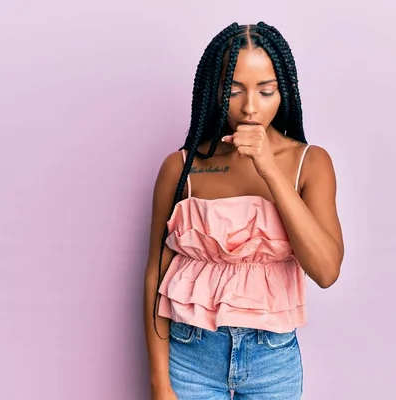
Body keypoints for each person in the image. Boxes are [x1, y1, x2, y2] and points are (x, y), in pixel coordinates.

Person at [143, 21, 344, 400]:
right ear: (213, 93)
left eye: (266, 91)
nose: (250, 107)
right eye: (234, 91)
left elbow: (326, 271)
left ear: (283, 90)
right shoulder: (181, 168)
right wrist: (159, 382)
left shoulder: (311, 164)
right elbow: (156, 273)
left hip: (273, 363)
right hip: (190, 358)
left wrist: (268, 168)